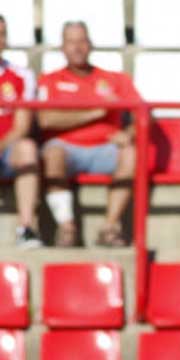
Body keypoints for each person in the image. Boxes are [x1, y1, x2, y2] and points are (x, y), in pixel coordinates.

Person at [35, 21, 139, 248]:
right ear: (62, 48)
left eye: (81, 41)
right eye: (71, 42)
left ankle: (109, 228)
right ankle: (67, 228)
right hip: (66, 148)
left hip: (106, 148)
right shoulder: (48, 80)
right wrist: (97, 111)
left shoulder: (116, 80)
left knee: (131, 152)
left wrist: (129, 133)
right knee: (52, 152)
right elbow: (45, 120)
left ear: (90, 45)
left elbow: (143, 115)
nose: (77, 47)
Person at [0, 17, 41, 248]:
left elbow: (22, 126)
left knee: (27, 148)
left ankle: (26, 229)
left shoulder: (21, 75)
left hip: (6, 151)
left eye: (3, 33)